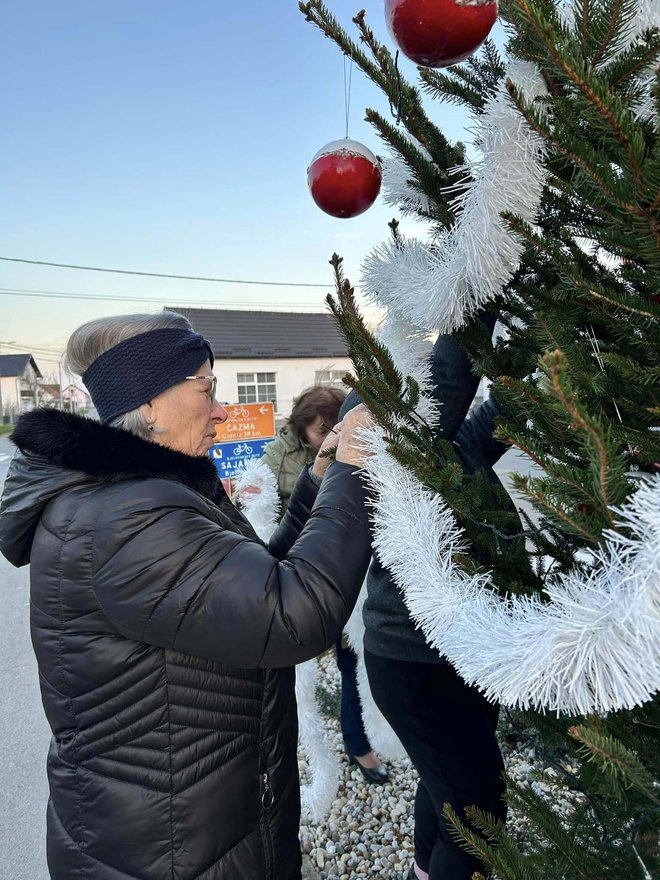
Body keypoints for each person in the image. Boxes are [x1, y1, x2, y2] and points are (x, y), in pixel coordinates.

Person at [0, 311, 375, 880]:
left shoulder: (134, 495)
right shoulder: (125, 519)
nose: (222, 408)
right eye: (207, 387)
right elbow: (292, 614)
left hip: (184, 825)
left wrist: (319, 484)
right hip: (166, 848)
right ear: (147, 402)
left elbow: (252, 586)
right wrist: (354, 470)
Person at [341, 317, 517, 880]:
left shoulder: (448, 451)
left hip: (463, 650)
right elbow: (448, 378)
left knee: (451, 790)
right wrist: (476, 290)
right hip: (415, 663)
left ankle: (421, 868)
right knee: (477, 818)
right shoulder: (397, 458)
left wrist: (544, 341)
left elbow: (496, 413)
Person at [260, 385, 389, 784]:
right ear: (302, 428)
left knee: (353, 662)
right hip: (302, 575)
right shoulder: (273, 461)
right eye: (321, 431)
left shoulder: (357, 447)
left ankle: (359, 744)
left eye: (337, 428)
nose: (331, 438)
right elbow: (270, 528)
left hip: (351, 573)